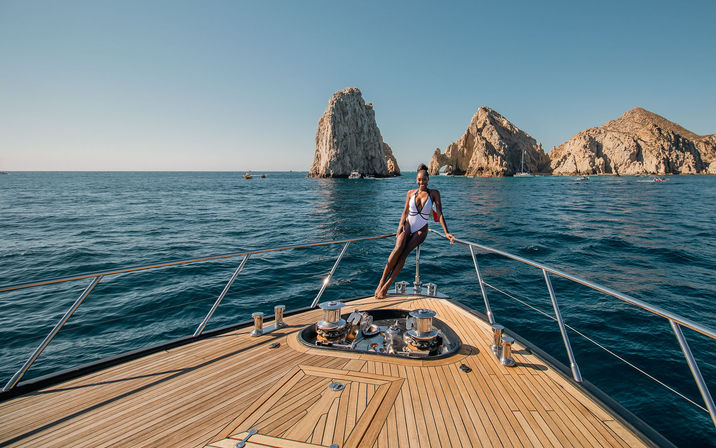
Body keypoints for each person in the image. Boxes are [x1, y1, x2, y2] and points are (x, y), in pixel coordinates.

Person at [374, 163, 455, 299]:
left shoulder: (434, 193)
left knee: (404, 254)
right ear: (416, 180)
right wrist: (400, 225)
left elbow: (439, 214)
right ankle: (380, 282)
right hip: (408, 225)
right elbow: (405, 211)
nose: (421, 182)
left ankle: (386, 286)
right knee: (397, 248)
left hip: (421, 230)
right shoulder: (410, 193)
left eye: (424, 179)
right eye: (419, 179)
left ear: (428, 179)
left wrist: (446, 232)